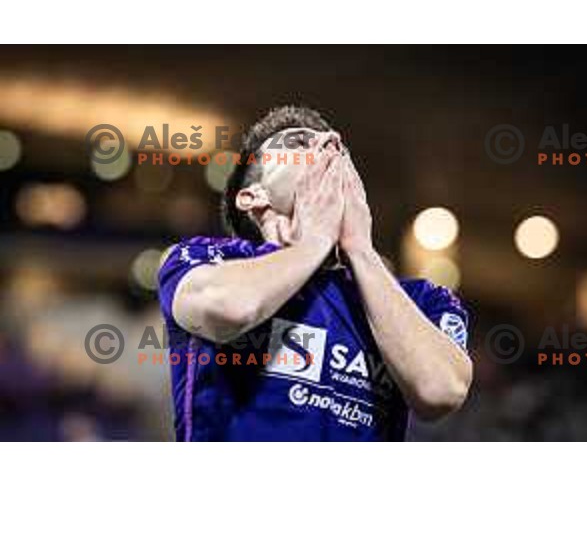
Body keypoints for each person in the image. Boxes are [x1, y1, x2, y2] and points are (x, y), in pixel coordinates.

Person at [158, 106, 472, 441]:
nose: (329, 145)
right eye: (297, 142)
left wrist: (361, 251)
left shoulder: (420, 299)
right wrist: (314, 242)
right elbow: (228, 307)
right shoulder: (209, 258)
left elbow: (441, 391)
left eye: (338, 149)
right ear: (253, 197)